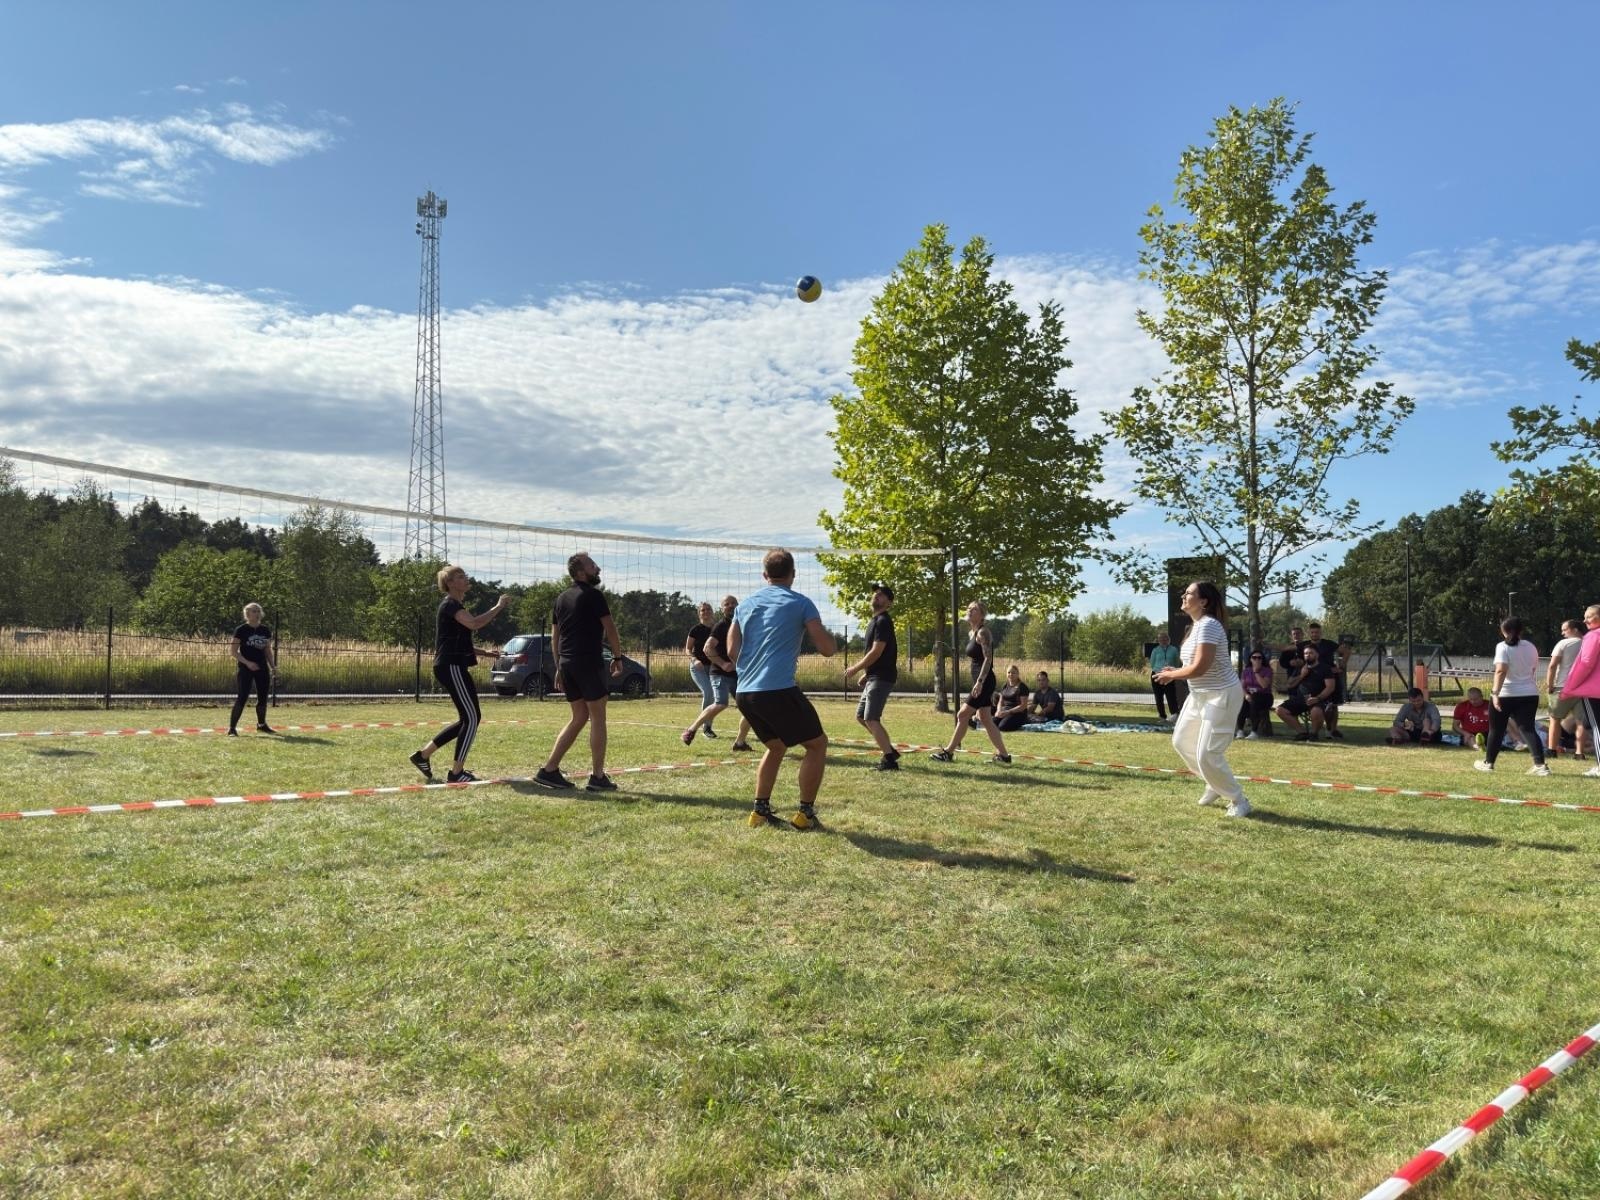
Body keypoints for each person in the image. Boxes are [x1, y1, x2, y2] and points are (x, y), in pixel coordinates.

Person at [728, 548, 837, 828]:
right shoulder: (801, 603)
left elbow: (731, 650)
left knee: (775, 747)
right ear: (793, 574)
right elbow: (826, 649)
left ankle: (759, 812)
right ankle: (805, 814)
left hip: (745, 692)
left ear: (765, 575)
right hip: (776, 689)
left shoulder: (745, 605)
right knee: (817, 745)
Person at [1154, 580, 1250, 818]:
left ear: (1203, 601)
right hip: (1199, 695)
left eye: (1189, 593)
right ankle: (1214, 784)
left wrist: (1171, 675)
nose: (1183, 596)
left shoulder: (1209, 626)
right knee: (1181, 742)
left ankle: (1238, 799)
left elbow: (1200, 669)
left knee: (1207, 753)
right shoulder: (1195, 627)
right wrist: (1174, 669)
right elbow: (1191, 666)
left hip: (1221, 694)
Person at [534, 552, 624, 792]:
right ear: (581, 572)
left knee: (579, 717)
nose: (598, 569)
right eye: (593, 565)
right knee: (597, 718)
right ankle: (597, 777)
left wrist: (558, 665)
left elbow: (556, 636)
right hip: (587, 662)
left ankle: (549, 770)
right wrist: (617, 657)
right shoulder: (594, 595)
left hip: (567, 663)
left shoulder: (561, 598)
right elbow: (611, 629)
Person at [409, 567, 509, 783]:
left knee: (467, 718)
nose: (466, 579)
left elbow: (457, 641)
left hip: (452, 665)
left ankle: (423, 756)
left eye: (465, 575)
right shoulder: (451, 604)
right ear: (450, 583)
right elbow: (474, 624)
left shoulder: (454, 606)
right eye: (461, 576)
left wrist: (485, 653)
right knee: (472, 718)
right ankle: (456, 773)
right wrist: (498, 607)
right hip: (450, 666)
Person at [929, 602, 1011, 764]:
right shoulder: (972, 633)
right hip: (981, 680)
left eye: (974, 609)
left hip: (984, 681)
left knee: (962, 714)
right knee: (986, 719)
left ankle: (948, 753)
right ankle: (1003, 756)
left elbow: (988, 659)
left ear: (982, 615)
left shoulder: (983, 633)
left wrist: (980, 682)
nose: (969, 610)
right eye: (969, 608)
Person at [1475, 616, 1548, 776]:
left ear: (1503, 631)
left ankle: (1489, 763)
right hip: (1529, 693)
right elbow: (1532, 670)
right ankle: (1540, 765)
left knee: (1496, 729)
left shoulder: (1502, 646)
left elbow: (1501, 670)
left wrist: (1495, 693)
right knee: (1528, 729)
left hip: (1506, 693)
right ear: (1521, 630)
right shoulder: (1531, 647)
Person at [843, 583, 899, 770]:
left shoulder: (883, 621)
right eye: (875, 593)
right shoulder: (874, 621)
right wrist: (867, 675)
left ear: (889, 603)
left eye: (882, 595)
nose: (876, 596)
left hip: (882, 677)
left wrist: (856, 669)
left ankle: (889, 760)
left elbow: (877, 651)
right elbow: (878, 654)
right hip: (875, 676)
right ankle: (889, 749)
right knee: (861, 716)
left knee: (871, 718)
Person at [698, 594, 756, 751]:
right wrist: (723, 664)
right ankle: (696, 728)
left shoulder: (744, 624)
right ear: (722, 608)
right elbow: (707, 648)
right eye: (727, 604)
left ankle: (740, 742)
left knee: (750, 707)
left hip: (740, 674)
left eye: (733, 603)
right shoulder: (721, 626)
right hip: (720, 673)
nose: (730, 605)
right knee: (720, 703)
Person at [1553, 604, 1600, 777]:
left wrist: (1570, 687)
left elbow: (1585, 664)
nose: (1585, 620)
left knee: (1597, 728)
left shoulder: (1593, 636)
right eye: (1585, 616)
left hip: (1594, 691)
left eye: (1590, 616)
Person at [227, 602, 276, 736]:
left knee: (263, 697)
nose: (257, 613)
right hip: (245, 668)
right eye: (254, 611)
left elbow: (267, 650)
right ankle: (232, 728)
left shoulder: (265, 630)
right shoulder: (241, 630)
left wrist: (273, 666)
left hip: (261, 668)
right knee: (242, 696)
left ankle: (261, 725)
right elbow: (233, 652)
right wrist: (248, 663)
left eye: (258, 611)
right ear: (247, 614)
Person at [1275, 643, 1338, 740]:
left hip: (1319, 699)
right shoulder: (1301, 668)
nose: (1308, 655)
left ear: (1317, 654)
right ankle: (1302, 733)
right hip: (1301, 699)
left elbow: (1330, 687)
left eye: (1311, 653)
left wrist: (1317, 698)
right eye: (1305, 653)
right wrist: (1302, 675)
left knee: (1316, 711)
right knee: (1280, 710)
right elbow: (1290, 685)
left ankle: (1314, 734)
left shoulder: (1325, 668)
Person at [1546, 619, 1586, 759]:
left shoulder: (1564, 643)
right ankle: (1579, 753)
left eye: (1565, 630)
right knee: (1581, 722)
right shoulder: (1590, 642)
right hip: (1583, 689)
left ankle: (1552, 750)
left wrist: (1550, 685)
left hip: (1563, 687)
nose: (1562, 633)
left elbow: (1553, 665)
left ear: (1574, 629)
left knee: (1554, 719)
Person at [681, 602, 719, 742]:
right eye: (703, 610)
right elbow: (687, 649)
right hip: (699, 668)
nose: (706, 612)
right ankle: (706, 728)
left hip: (715, 667)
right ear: (699, 613)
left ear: (712, 612)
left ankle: (707, 727)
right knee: (708, 693)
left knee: (716, 697)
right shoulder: (695, 630)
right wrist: (694, 660)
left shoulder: (718, 628)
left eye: (708, 609)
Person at [1304, 622, 1346, 738]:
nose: (1314, 634)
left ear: (1320, 632)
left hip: (1329, 677)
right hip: (1314, 679)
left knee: (1333, 704)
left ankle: (1332, 730)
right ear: (1309, 633)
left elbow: (1346, 651)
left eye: (1317, 632)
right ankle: (1318, 730)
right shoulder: (1305, 645)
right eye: (1312, 632)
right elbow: (1287, 647)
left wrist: (1341, 666)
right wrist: (1267, 645)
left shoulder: (1328, 644)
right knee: (1317, 704)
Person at [1236, 650, 1274, 739]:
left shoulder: (1267, 671)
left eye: (1259, 658)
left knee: (1255, 701)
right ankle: (1240, 730)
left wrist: (1256, 672)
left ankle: (1254, 731)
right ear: (1250, 659)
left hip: (1265, 697)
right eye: (1254, 657)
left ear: (1262, 660)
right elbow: (1242, 686)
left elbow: (1264, 685)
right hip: (1249, 696)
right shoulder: (1246, 671)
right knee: (1242, 703)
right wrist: (1246, 695)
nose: (1257, 660)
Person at [1149, 631, 1182, 720]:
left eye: (1165, 639)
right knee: (1158, 696)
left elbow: (1177, 662)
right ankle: (1162, 716)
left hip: (1169, 675)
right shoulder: (1155, 650)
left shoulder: (1173, 649)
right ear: (1158, 640)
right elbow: (1152, 663)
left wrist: (1172, 671)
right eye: (1161, 639)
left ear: (1168, 640)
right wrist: (1158, 670)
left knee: (1171, 695)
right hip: (1156, 674)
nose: (1163, 640)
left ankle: (1174, 714)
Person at [1452, 687, 1493, 752]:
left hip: (1487, 733)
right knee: (1470, 738)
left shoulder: (1490, 705)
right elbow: (1455, 726)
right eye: (1471, 699)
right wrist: (1465, 733)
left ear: (1481, 697)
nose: (1473, 702)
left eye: (1476, 699)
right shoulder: (1461, 706)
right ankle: (1478, 748)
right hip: (1469, 734)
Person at [993, 665, 1031, 732]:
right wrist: (998, 710)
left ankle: (1024, 721)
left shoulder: (1022, 687)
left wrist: (1008, 712)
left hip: (1018, 713)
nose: (1011, 674)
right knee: (992, 724)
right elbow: (1000, 701)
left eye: (1013, 673)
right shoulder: (1005, 686)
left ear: (1018, 674)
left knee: (1002, 727)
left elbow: (1023, 706)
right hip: (1005, 711)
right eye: (1009, 672)